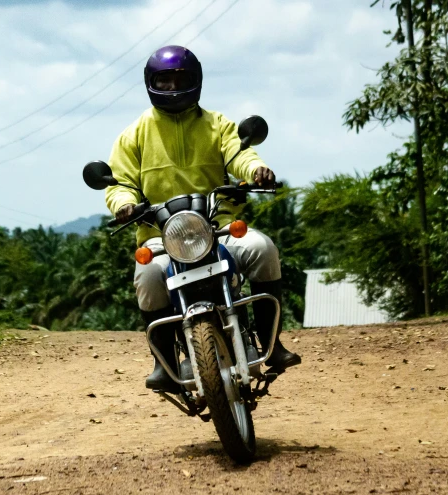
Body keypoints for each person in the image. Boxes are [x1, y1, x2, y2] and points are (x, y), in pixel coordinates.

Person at [105, 45, 301, 393]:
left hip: (219, 227)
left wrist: (256, 171)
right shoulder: (132, 135)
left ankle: (273, 344)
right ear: (150, 84)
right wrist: (124, 204)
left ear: (196, 81)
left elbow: (240, 155)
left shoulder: (218, 125)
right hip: (161, 235)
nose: (171, 87)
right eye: (163, 81)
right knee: (148, 275)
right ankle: (163, 363)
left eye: (179, 79)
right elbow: (120, 183)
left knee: (263, 248)